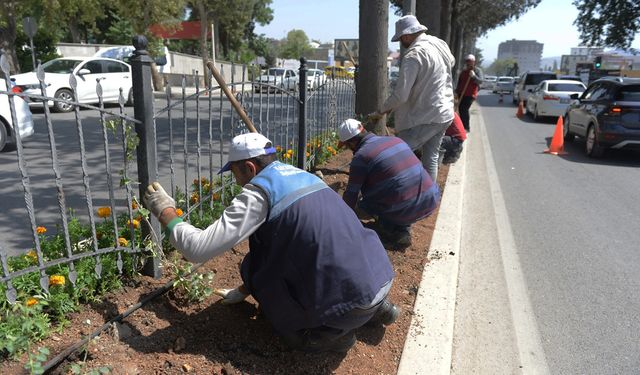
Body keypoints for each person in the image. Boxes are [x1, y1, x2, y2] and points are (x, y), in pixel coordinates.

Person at [143, 132, 399, 354]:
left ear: (250, 168)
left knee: (260, 279)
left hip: (349, 304)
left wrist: (165, 211)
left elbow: (197, 249)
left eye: (234, 172)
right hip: (379, 276)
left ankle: (332, 336)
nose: (235, 180)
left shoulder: (259, 194)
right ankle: (379, 310)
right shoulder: (306, 176)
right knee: (291, 255)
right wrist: (242, 291)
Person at [338, 119, 440, 249]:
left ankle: (391, 230)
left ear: (352, 142)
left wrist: (341, 218)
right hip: (430, 198)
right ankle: (402, 228)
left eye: (347, 146)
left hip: (405, 206)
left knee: (363, 204)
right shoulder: (396, 140)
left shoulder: (361, 157)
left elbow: (351, 195)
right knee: (394, 188)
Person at [378, 15, 456, 182]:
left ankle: (391, 193)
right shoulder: (439, 43)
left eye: (400, 39)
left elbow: (401, 95)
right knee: (431, 157)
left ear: (406, 36)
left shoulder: (413, 55)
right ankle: (429, 197)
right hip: (444, 111)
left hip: (427, 116)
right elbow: (452, 61)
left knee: (397, 154)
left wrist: (382, 110)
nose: (401, 43)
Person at [455, 54, 483, 132]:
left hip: (470, 95)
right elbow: (460, 82)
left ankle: (466, 127)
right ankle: (460, 126)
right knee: (460, 110)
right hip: (461, 93)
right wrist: (456, 92)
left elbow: (480, 81)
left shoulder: (477, 71)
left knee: (464, 109)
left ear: (474, 62)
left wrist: (474, 76)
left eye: (470, 62)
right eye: (467, 62)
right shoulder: (464, 71)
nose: (468, 63)